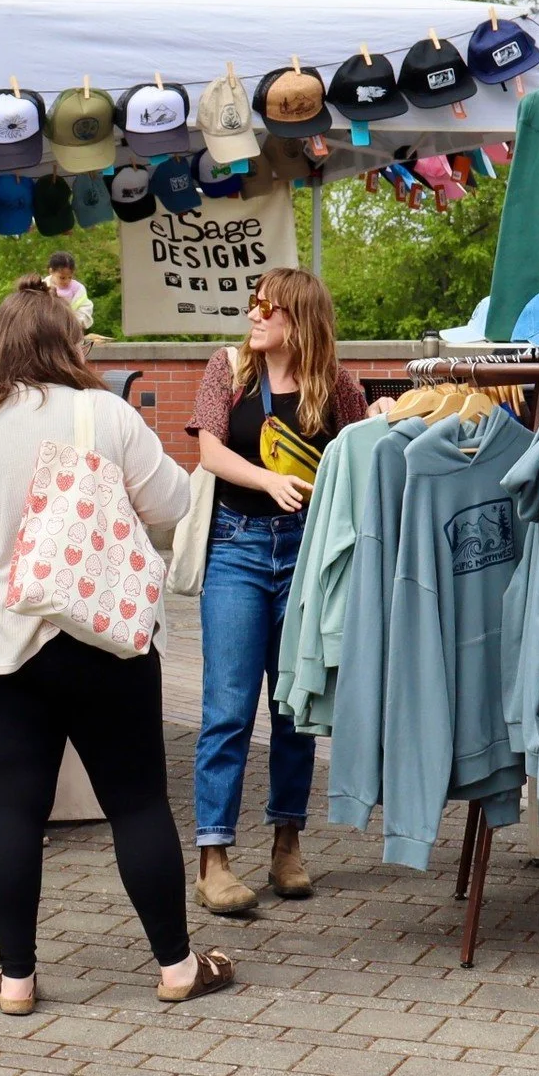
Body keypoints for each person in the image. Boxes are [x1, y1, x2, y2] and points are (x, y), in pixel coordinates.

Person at [0, 277, 234, 1013]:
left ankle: (18, 980)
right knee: (136, 804)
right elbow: (173, 501)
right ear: (70, 343)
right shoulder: (107, 415)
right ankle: (176, 966)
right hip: (107, 641)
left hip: (1, 650)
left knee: (12, 811)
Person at [187, 267, 367, 915]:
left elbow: (360, 451)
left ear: (300, 317)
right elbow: (208, 451)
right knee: (228, 709)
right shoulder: (227, 369)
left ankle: (287, 842)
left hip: (307, 556)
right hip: (237, 548)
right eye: (254, 304)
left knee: (295, 708)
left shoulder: (336, 383)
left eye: (269, 307)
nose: (255, 315)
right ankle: (213, 859)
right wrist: (267, 481)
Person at [44, 250, 94, 330]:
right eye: (62, 278)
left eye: (70, 277)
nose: (66, 281)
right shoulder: (42, 287)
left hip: (71, 330)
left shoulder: (78, 289)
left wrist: (74, 321)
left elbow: (86, 309)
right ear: (51, 271)